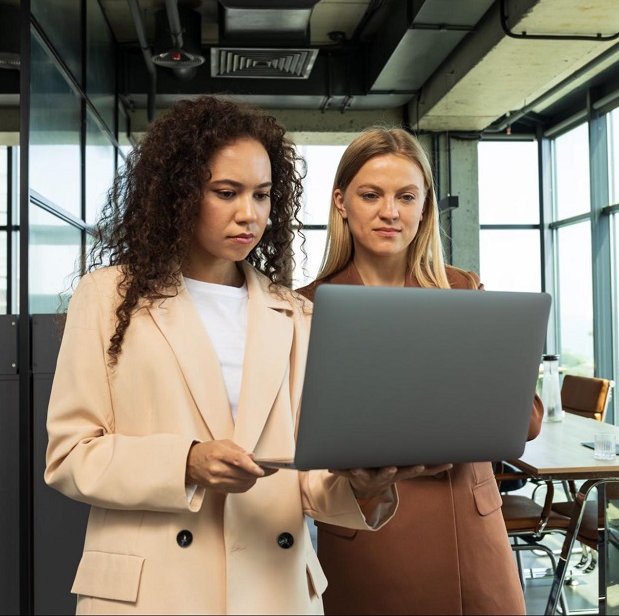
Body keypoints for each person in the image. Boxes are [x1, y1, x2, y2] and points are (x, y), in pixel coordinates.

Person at [44, 97, 449, 615]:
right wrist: (186, 463)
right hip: (153, 593)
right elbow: (69, 455)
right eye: (226, 192)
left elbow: (307, 480)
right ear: (179, 193)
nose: (249, 214)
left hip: (274, 588)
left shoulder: (294, 313)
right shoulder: (109, 297)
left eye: (262, 195)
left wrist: (361, 485)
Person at [297, 127, 544, 615]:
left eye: (406, 197)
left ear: (424, 209)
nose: (390, 211)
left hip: (469, 533)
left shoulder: (462, 291)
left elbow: (526, 419)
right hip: (367, 530)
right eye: (371, 195)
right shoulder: (304, 309)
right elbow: (301, 432)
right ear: (341, 202)